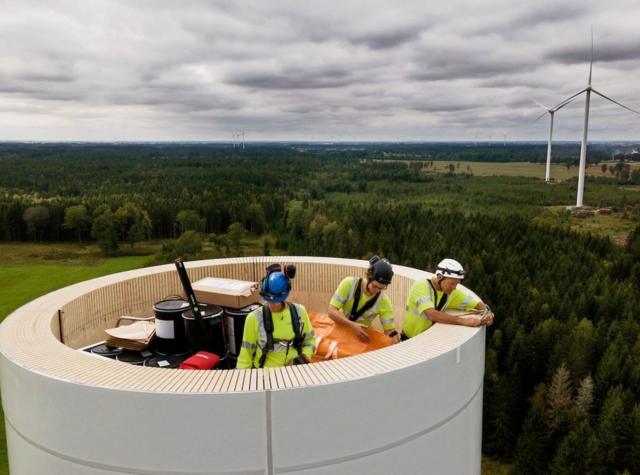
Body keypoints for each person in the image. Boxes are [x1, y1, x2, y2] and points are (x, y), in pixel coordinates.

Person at [236, 264, 316, 368]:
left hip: (295, 374)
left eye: (275, 302)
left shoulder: (299, 312)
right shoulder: (254, 318)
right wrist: (242, 380)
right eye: (267, 300)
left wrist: (304, 357)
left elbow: (310, 340)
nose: (271, 305)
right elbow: (245, 356)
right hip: (266, 377)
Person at [402, 258, 495, 339]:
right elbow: (431, 314)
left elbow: (477, 304)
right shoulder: (421, 286)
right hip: (410, 339)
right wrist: (463, 321)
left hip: (427, 340)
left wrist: (488, 313)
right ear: (440, 277)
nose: (454, 288)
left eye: (457, 284)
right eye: (452, 283)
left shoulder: (451, 292)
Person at [328, 255, 399, 343]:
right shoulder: (349, 284)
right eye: (374, 286)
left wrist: (396, 341)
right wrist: (352, 326)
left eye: (381, 288)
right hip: (340, 331)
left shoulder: (384, 301)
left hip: (361, 338)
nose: (376, 291)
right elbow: (331, 311)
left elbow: (389, 331)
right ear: (367, 276)